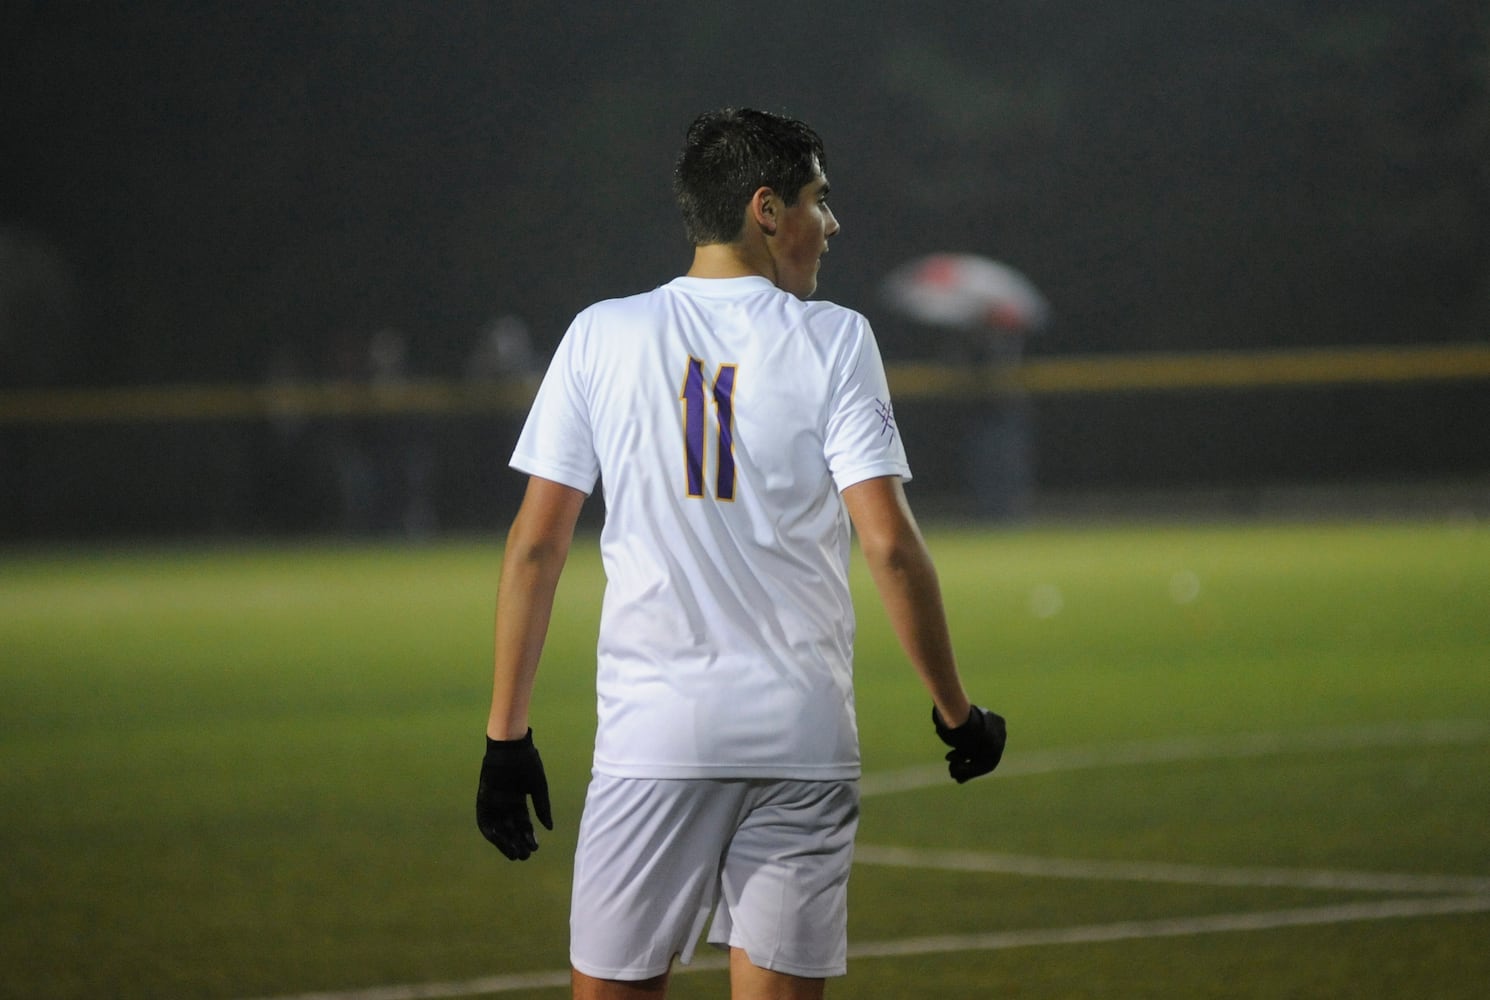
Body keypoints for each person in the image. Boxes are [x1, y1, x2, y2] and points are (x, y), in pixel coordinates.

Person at [476, 107, 1006, 1000]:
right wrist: (956, 710)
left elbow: (536, 548)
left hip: (655, 737)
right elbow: (891, 546)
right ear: (766, 209)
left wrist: (505, 738)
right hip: (800, 737)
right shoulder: (835, 339)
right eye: (818, 201)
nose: (831, 226)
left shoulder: (601, 334)